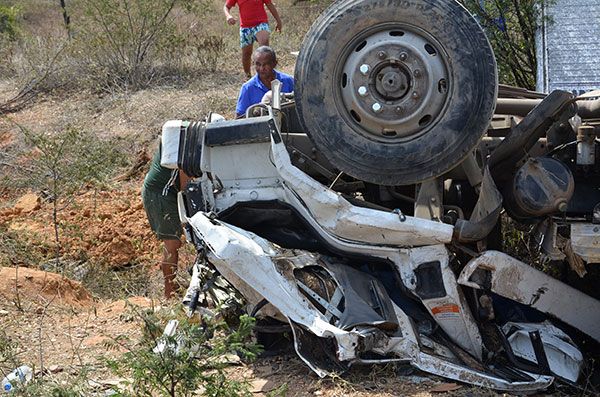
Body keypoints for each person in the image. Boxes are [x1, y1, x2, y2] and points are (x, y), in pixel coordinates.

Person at [142, 144, 189, 299]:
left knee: (174, 242)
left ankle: (173, 288)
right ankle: (169, 294)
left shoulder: (182, 140)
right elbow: (185, 186)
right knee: (172, 243)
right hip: (160, 195)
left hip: (164, 192)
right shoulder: (187, 148)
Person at [223, 0, 283, 77]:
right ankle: (248, 77)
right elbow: (226, 7)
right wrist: (228, 16)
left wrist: (278, 21)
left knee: (264, 49)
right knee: (246, 54)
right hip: (245, 27)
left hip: (261, 24)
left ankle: (267, 75)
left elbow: (269, 4)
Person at [236, 46, 294, 117]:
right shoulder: (248, 88)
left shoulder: (288, 81)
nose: (261, 68)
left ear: (274, 63)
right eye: (258, 64)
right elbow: (239, 119)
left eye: (266, 64)